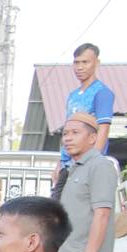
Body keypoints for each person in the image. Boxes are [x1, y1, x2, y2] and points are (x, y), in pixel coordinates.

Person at [56, 113, 117, 252]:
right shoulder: (75, 169)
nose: (68, 138)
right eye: (65, 133)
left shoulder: (100, 166)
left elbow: (102, 215)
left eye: (75, 133)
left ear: (92, 138)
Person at [51, 43, 115, 200]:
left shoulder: (102, 93)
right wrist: (60, 163)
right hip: (68, 164)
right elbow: (67, 131)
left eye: (85, 62)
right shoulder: (73, 95)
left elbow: (103, 129)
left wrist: (92, 162)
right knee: (55, 212)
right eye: (76, 62)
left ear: (96, 63)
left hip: (86, 164)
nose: (80, 67)